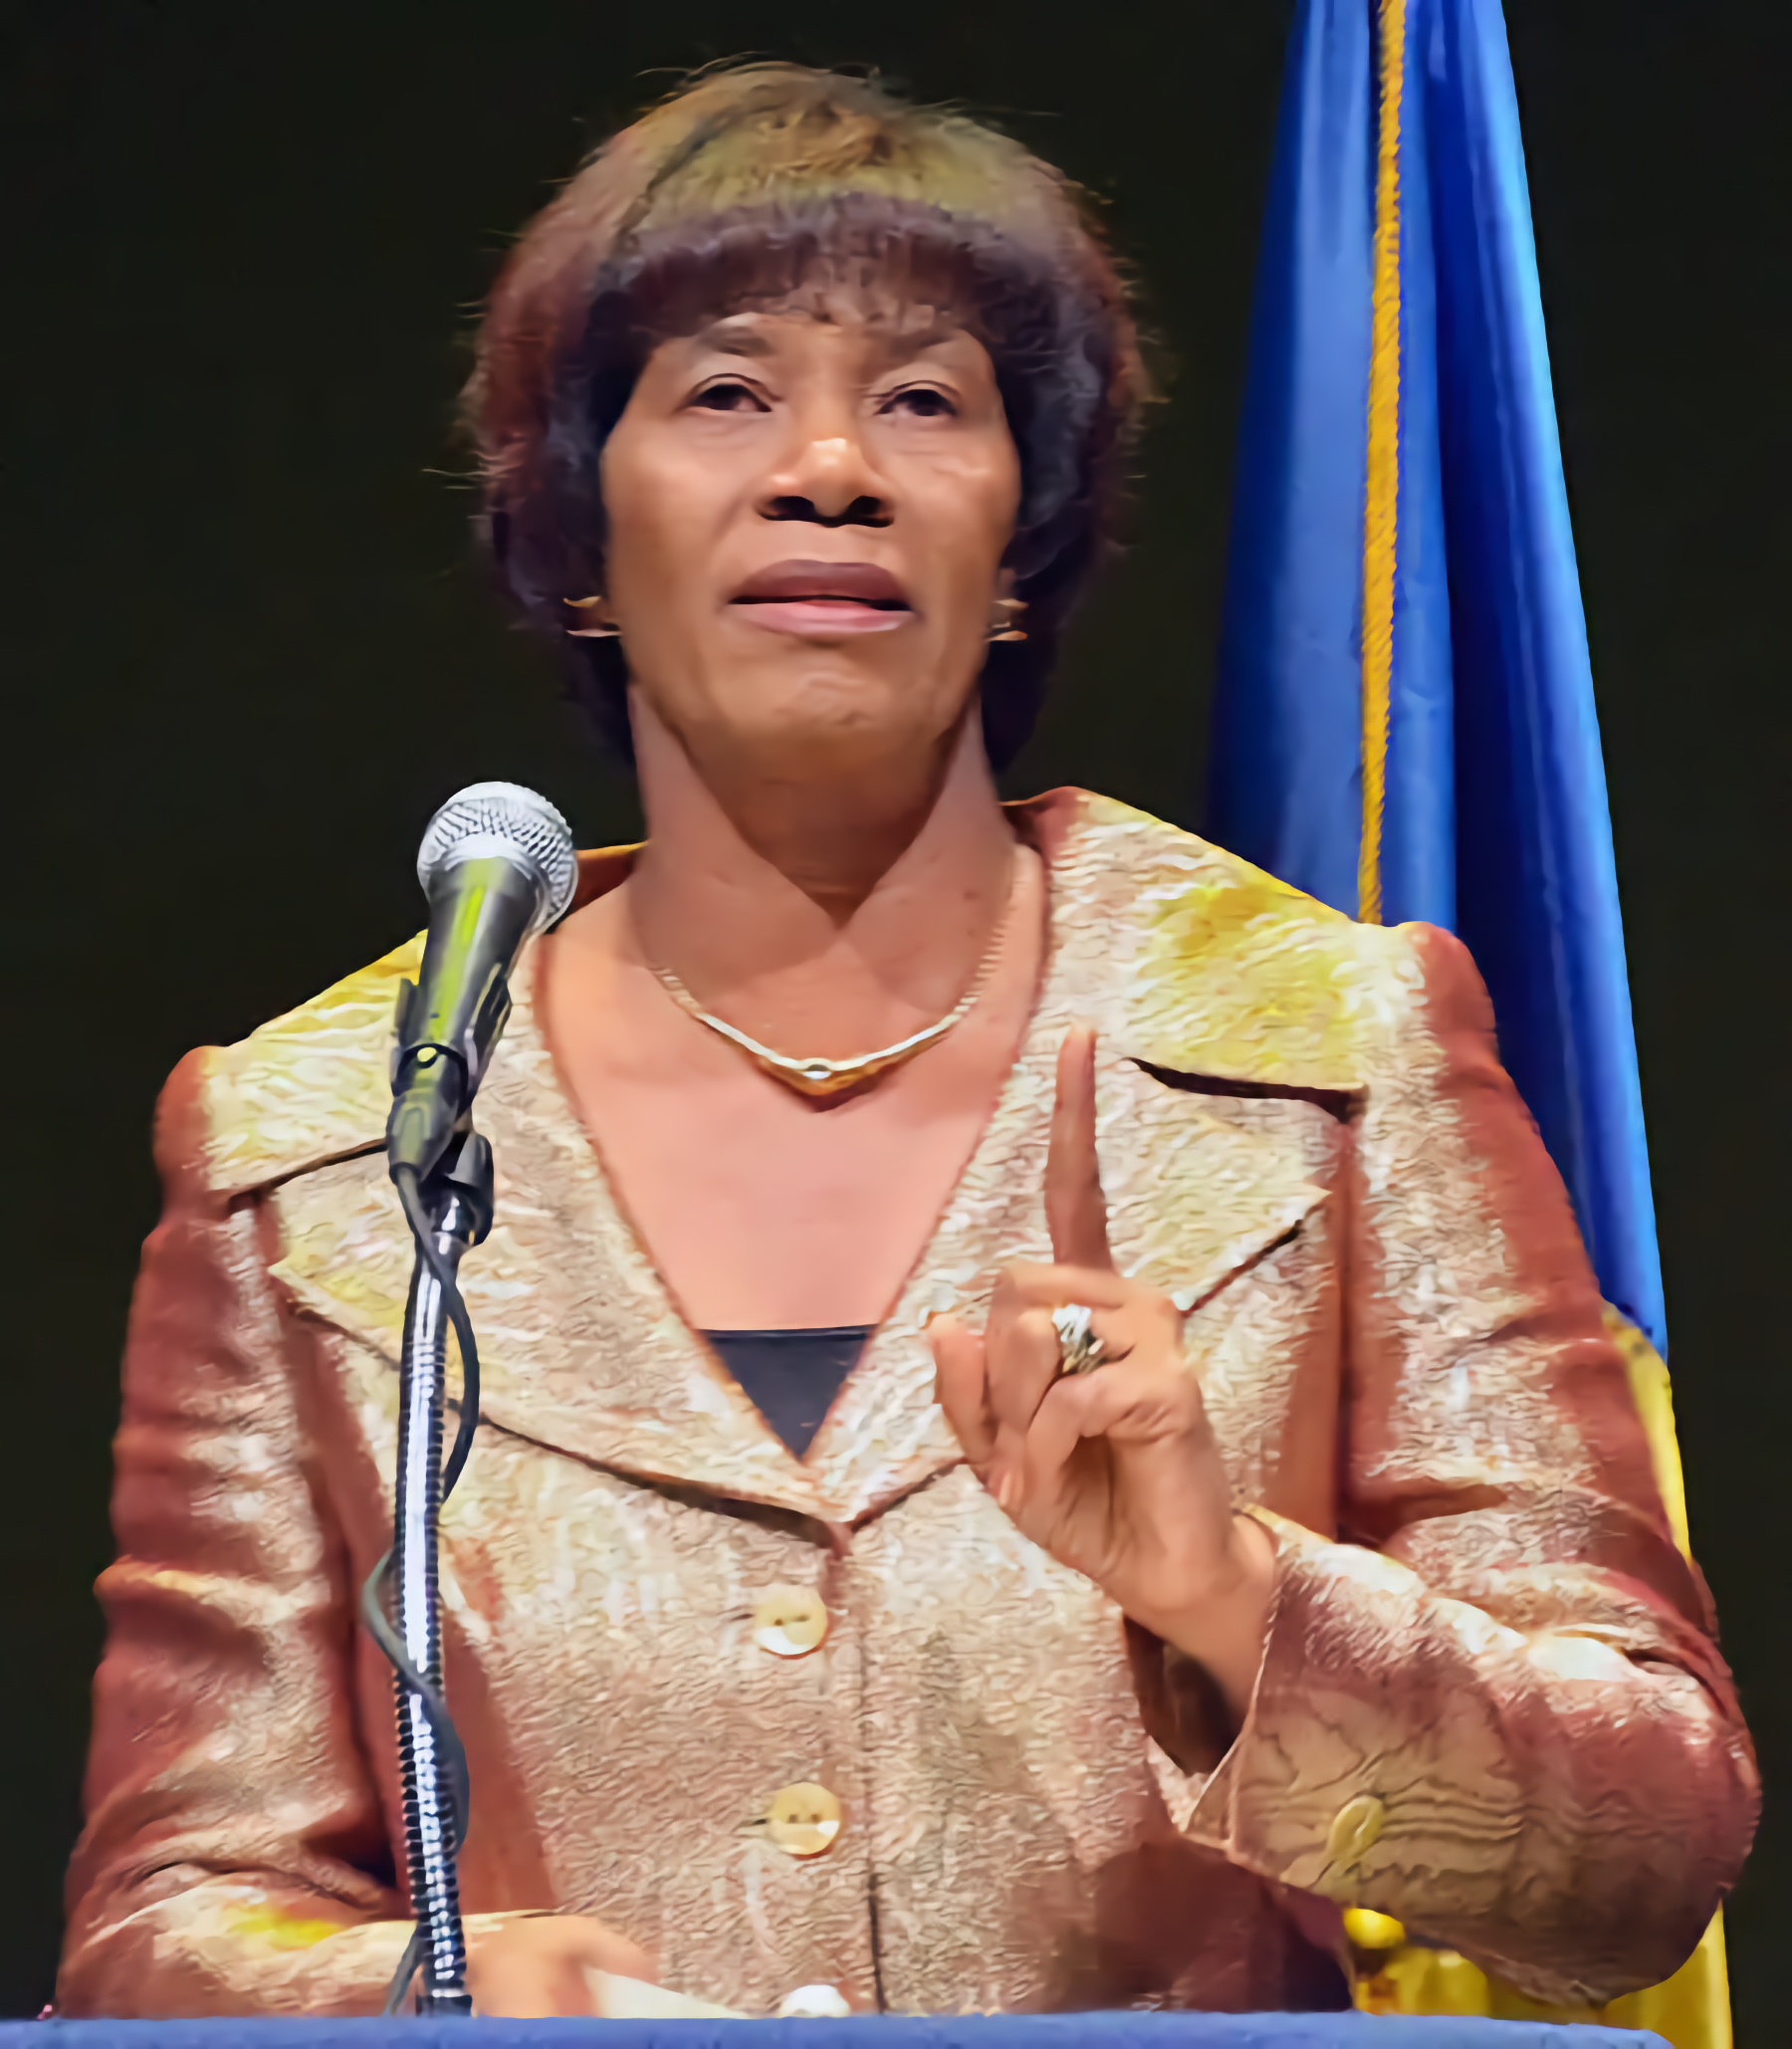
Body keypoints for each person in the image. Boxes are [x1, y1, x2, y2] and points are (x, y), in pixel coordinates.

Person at [60, 64, 1755, 2021]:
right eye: (724, 393)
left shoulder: (1327, 1042)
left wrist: (1235, 1591)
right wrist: (419, 2006)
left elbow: (1652, 1858)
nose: (831, 466)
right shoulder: (312, 1148)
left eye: (927, 400)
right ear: (578, 538)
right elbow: (162, 1935)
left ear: (1022, 542)